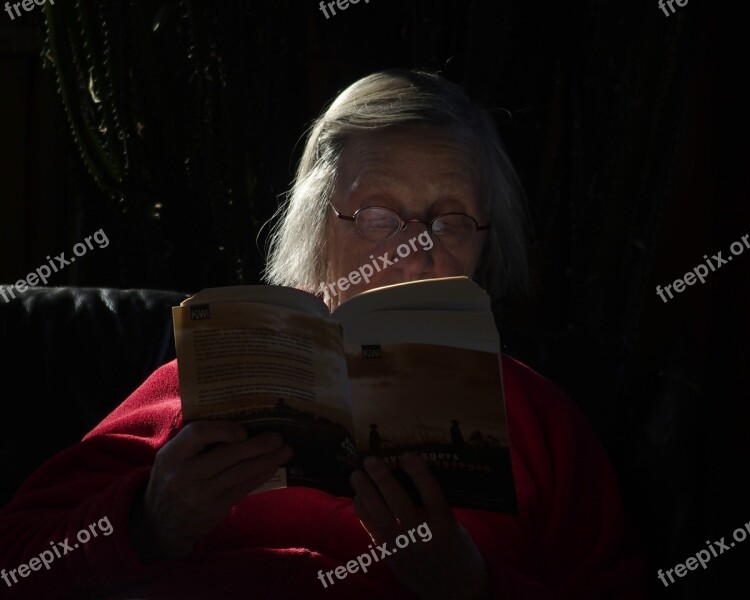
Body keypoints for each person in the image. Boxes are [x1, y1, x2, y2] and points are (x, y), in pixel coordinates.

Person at [0, 69, 649, 598]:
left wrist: (473, 586)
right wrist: (145, 521)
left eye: (451, 221)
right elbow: (18, 564)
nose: (417, 248)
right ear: (317, 226)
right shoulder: (190, 391)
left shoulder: (541, 423)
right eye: (376, 215)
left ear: (486, 243)